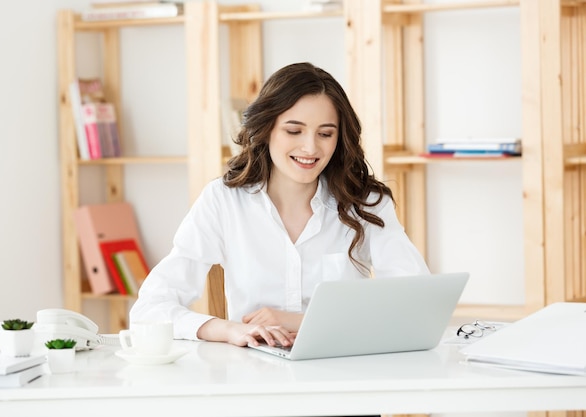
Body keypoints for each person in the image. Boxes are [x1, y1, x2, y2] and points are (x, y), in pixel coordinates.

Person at [130, 62, 430, 349]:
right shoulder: (223, 200)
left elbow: (417, 304)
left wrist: (297, 321)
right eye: (294, 131)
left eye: (325, 134)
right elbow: (150, 309)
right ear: (267, 129)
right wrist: (228, 329)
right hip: (253, 380)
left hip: (342, 379)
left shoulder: (365, 204)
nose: (311, 148)